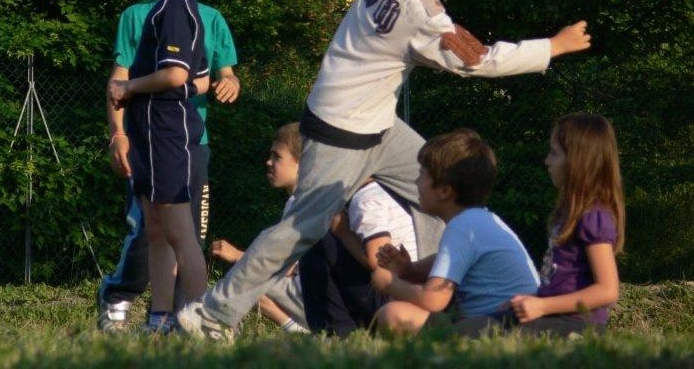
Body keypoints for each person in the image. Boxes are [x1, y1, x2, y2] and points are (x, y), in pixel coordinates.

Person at [177, 0, 591, 340]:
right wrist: (552, 46)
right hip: (341, 129)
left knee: (444, 182)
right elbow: (479, 60)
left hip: (377, 124)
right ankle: (210, 315)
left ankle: (435, 299)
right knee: (301, 229)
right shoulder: (422, 16)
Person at [97, 0, 239, 332]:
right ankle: (121, 295)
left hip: (190, 142)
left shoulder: (205, 15)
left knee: (189, 235)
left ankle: (182, 318)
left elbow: (217, 75)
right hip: (148, 140)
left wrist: (230, 82)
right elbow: (120, 80)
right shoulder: (136, 15)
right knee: (149, 230)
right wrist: (119, 134)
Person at [107, 0, 211, 334]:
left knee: (181, 233)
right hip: (147, 137)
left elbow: (178, 76)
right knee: (155, 231)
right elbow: (201, 77)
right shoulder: (164, 9)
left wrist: (127, 87)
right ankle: (160, 319)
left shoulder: (175, 9)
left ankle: (206, 321)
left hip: (170, 137)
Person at [374, 129, 540, 335]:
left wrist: (390, 284)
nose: (416, 182)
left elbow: (433, 299)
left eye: (421, 175)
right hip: (507, 323)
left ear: (444, 190)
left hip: (504, 327)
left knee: (393, 314)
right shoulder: (477, 221)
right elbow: (444, 262)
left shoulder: (462, 227)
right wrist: (408, 269)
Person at [506, 113, 624, 336]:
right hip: (553, 318)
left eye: (554, 153)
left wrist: (542, 306)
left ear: (577, 161)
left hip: (575, 326)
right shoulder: (569, 213)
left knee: (474, 336)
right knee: (473, 326)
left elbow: (608, 290)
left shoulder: (592, 217)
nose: (547, 161)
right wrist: (532, 301)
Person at [211, 123, 310, 334]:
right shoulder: (303, 200)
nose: (269, 162)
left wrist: (237, 255)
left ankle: (219, 329)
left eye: (277, 157)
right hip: (311, 294)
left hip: (313, 298)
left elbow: (286, 266)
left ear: (302, 164)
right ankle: (299, 330)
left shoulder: (302, 204)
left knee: (242, 278)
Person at [299, 177, 418, 337]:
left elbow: (377, 261)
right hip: (412, 291)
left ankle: (336, 332)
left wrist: (343, 232)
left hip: (393, 299)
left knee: (320, 237)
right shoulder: (395, 190)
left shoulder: (366, 197)